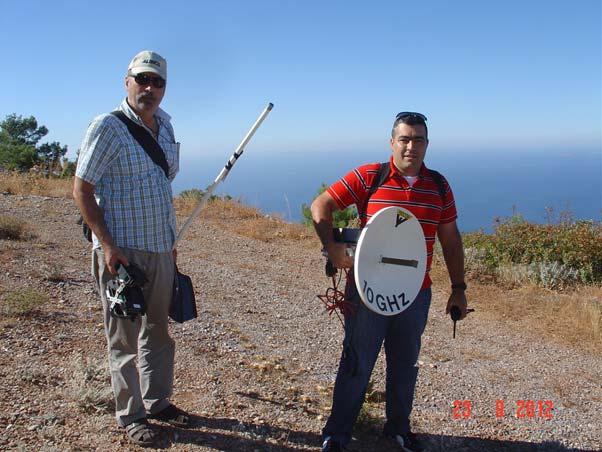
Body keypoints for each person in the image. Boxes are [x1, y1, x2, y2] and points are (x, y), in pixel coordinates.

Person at [311, 112, 468, 452]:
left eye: (419, 139)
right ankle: (336, 435)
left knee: (404, 364)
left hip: (415, 293)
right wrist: (332, 247)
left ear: (427, 143)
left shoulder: (438, 185)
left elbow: (451, 239)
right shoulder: (370, 176)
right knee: (357, 360)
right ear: (392, 142)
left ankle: (398, 429)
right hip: (367, 290)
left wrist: (459, 289)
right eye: (405, 139)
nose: (412, 146)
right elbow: (321, 205)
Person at [73, 50, 189, 446]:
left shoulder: (167, 126)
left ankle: (158, 401)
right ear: (127, 81)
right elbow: (82, 189)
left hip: (159, 248)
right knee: (123, 336)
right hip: (121, 252)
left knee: (158, 328)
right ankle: (131, 414)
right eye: (143, 79)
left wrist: (170, 244)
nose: (150, 88)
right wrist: (106, 246)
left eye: (158, 82)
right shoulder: (107, 126)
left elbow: (163, 187)